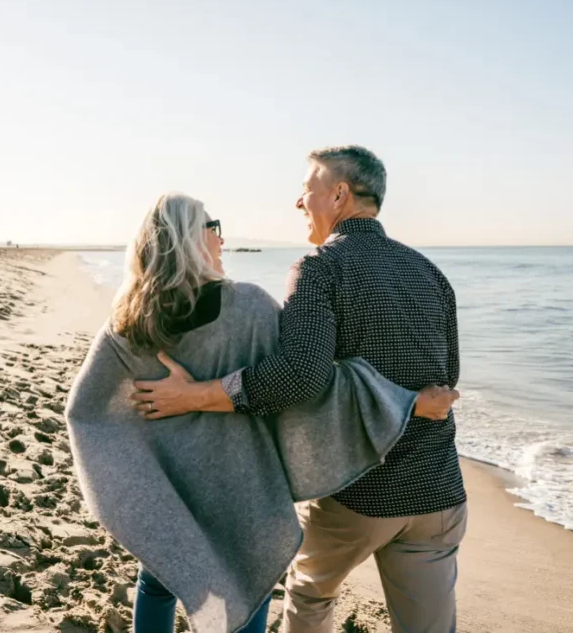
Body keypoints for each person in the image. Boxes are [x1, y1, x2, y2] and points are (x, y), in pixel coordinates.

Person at [66, 192, 458, 633]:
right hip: (242, 482)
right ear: (192, 239)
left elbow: (87, 411)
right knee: (249, 582)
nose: (221, 240)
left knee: (158, 581)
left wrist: (135, 470)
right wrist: (406, 401)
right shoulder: (248, 307)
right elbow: (307, 383)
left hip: (170, 482)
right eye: (213, 228)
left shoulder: (129, 318)